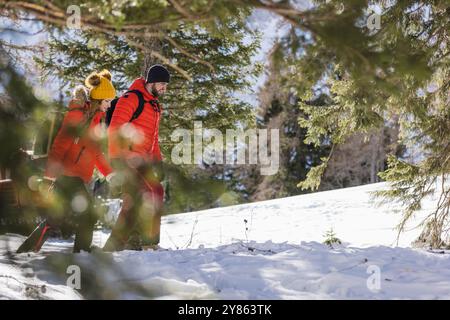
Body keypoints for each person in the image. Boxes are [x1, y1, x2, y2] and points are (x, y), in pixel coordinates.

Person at [17, 70, 116, 253]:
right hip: (67, 174)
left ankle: (26, 251)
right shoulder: (78, 116)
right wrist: (49, 177)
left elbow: (95, 153)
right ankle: (82, 252)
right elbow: (59, 146)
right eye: (107, 101)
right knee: (88, 214)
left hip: (78, 176)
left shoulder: (96, 119)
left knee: (56, 218)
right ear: (99, 99)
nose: (110, 105)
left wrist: (110, 174)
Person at [103, 65, 169, 251]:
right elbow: (114, 131)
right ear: (152, 82)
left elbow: (153, 139)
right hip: (127, 159)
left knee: (146, 197)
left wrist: (158, 162)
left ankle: (126, 244)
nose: (165, 88)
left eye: (166, 85)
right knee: (147, 194)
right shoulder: (131, 98)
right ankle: (147, 243)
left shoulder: (155, 106)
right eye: (162, 84)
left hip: (143, 161)